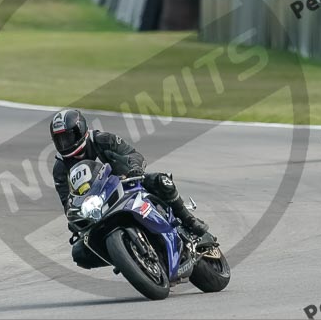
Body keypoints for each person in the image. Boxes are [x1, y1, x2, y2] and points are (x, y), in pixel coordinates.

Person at [49, 109, 209, 269]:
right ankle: (128, 258)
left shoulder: (102, 139)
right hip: (97, 206)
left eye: (68, 137)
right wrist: (74, 219)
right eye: (59, 140)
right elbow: (67, 202)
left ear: (81, 129)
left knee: (162, 181)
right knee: (79, 253)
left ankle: (189, 219)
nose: (64, 144)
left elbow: (133, 154)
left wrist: (134, 168)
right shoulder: (60, 168)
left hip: (127, 184)